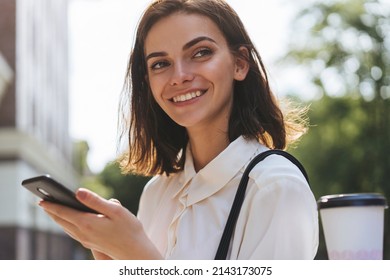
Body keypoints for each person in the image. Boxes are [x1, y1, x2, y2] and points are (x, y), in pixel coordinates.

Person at [40, 0, 319, 260]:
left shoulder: (276, 187)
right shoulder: (157, 193)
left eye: (200, 53)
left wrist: (137, 254)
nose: (179, 77)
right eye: (161, 64)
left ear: (240, 63)